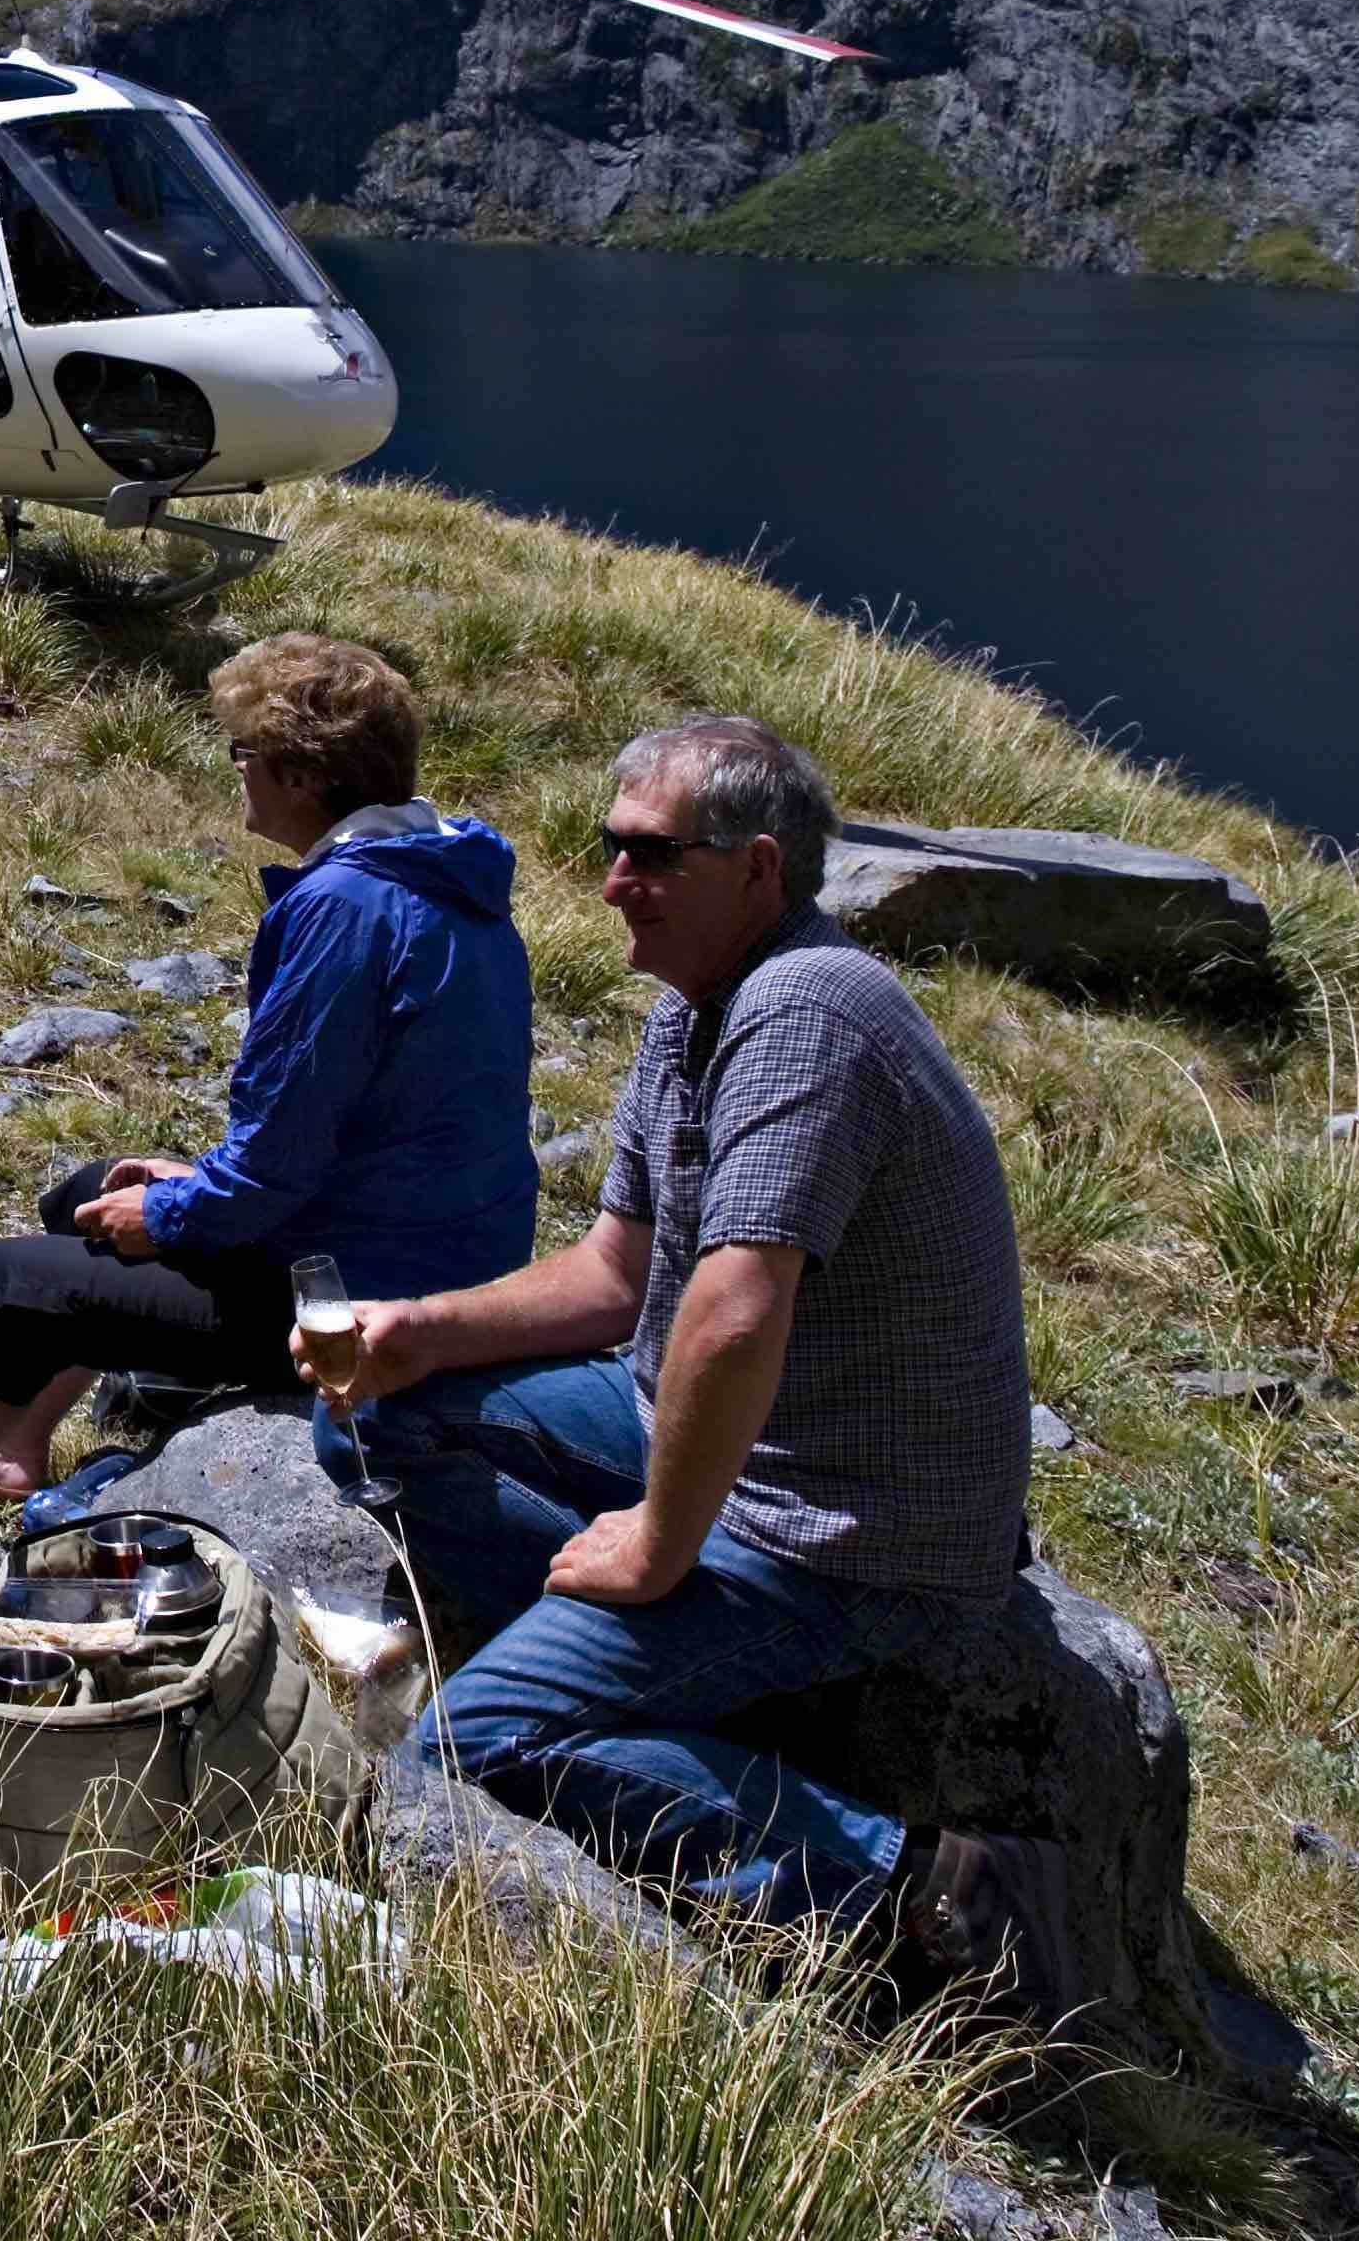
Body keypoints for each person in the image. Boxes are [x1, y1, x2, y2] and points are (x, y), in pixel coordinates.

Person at [308, 715, 1090, 2025]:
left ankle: (869, 1867)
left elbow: (733, 1309)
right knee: (380, 1421)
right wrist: (419, 1331)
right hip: (712, 1431)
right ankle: (604, 1665)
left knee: (458, 1751)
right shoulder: (697, 1009)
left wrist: (660, 1545)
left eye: (654, 854)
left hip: (840, 1529)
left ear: (760, 870)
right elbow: (620, 1278)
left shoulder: (807, 1015)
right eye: (611, 848)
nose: (616, 879)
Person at [0, 631, 534, 1514]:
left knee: (6, 1284)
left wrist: (181, 1209)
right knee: (92, 1195)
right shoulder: (448, 883)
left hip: (350, 1301)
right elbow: (347, 1132)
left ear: (301, 776)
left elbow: (279, 1162)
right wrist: (188, 1191)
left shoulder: (346, 906)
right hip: (430, 1252)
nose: (236, 772)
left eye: (242, 753)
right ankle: (17, 1444)